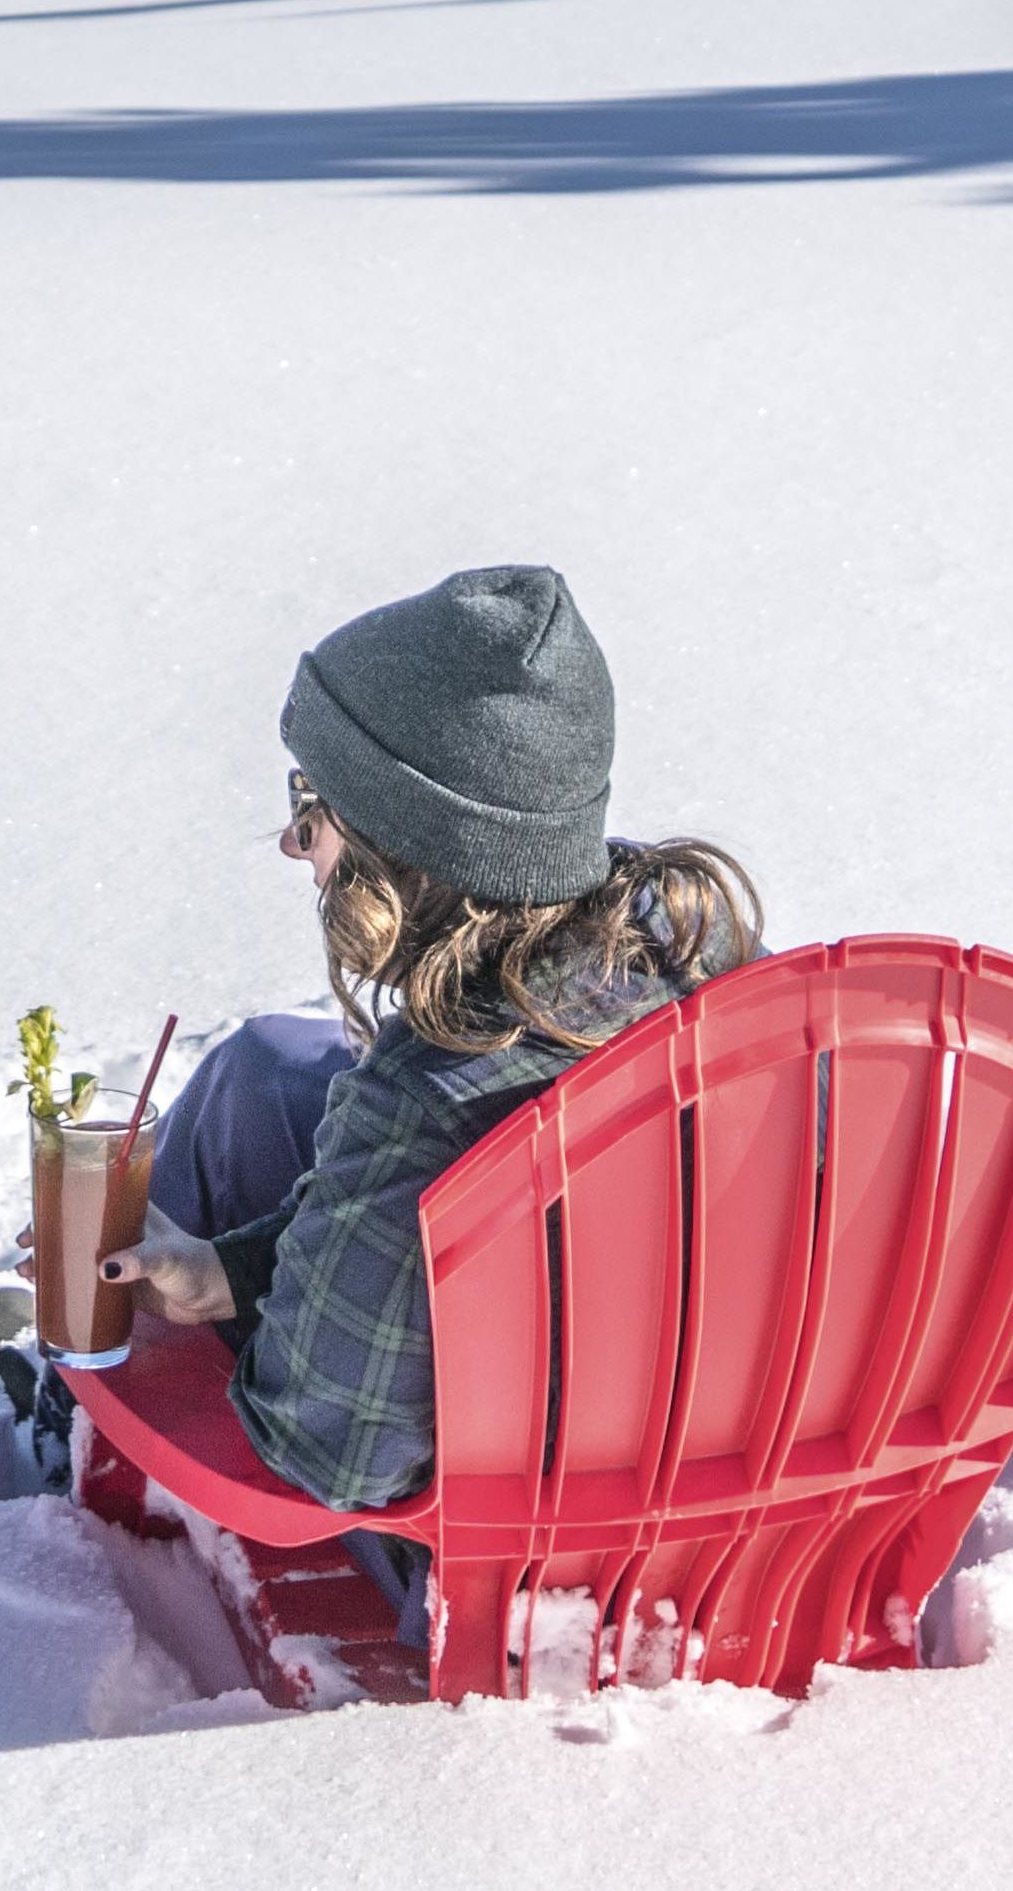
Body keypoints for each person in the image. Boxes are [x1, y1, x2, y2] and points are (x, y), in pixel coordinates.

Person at [107, 570, 759, 1636]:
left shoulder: (432, 1106)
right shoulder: (696, 946)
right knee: (264, 1070)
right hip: (727, 1466)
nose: (290, 843)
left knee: (252, 1084)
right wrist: (234, 1273)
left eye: (311, 810)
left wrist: (191, 1359)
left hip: (524, 1572)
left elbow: (329, 1453)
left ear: (404, 847)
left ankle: (57, 1419)